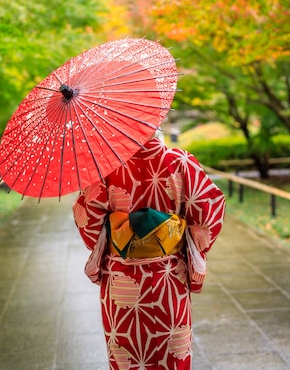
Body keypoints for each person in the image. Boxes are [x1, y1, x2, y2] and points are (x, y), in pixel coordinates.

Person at [72, 135, 225, 370]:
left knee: (127, 355)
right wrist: (186, 241)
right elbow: (208, 211)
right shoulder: (181, 161)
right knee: (173, 354)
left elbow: (87, 221)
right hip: (169, 277)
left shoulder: (105, 166)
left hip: (121, 280)